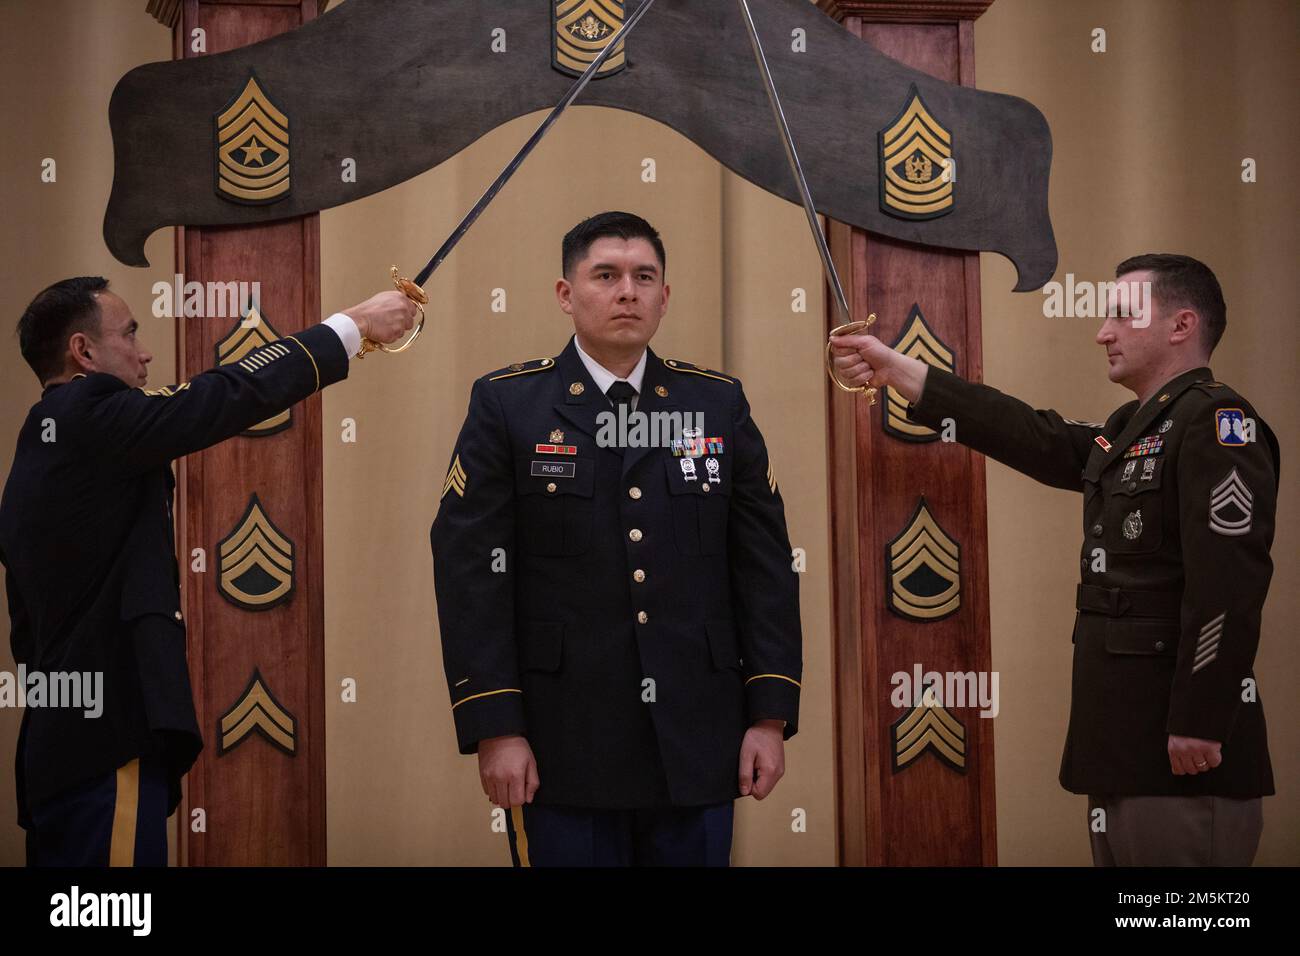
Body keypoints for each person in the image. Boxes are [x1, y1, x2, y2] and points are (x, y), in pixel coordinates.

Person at [830, 253, 1277, 866]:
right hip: (1126, 748)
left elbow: (1228, 586)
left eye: (1121, 314)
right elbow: (1034, 435)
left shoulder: (1218, 424)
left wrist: (1202, 716)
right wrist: (901, 371)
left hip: (1185, 753)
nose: (1102, 332)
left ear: (1181, 325)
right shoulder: (1135, 428)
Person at [0, 276, 419, 866]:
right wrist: (351, 328)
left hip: (65, 743)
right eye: (130, 333)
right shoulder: (85, 413)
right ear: (83, 352)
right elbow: (221, 396)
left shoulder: (45, 446)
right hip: (105, 739)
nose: (144, 352)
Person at [431, 211, 802, 866]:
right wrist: (496, 726)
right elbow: (470, 575)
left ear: (665, 296)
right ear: (566, 295)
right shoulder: (509, 406)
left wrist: (768, 718)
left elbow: (763, 567)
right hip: (563, 742)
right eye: (606, 274)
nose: (627, 290)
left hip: (697, 737)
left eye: (643, 276)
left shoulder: (716, 405)